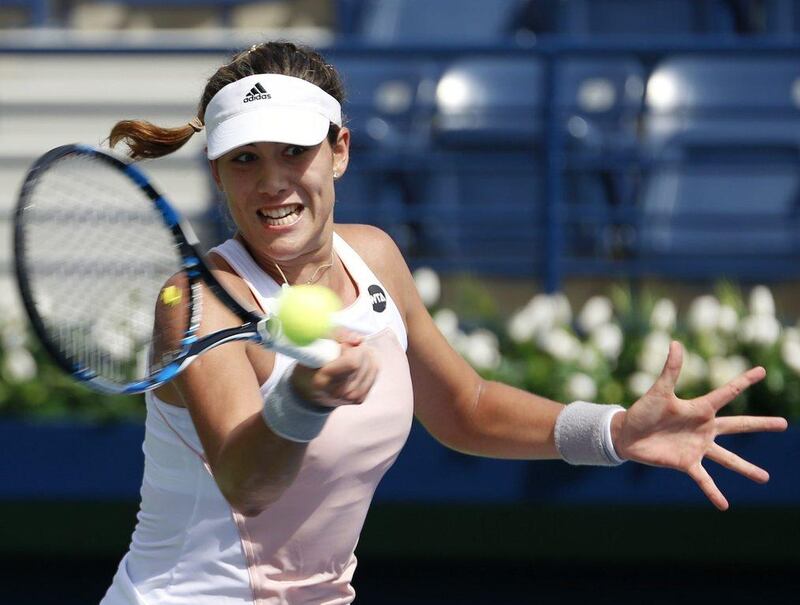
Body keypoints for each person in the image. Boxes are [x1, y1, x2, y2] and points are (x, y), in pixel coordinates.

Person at [99, 41, 787, 605]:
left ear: (339, 150)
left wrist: (611, 430)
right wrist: (301, 399)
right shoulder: (195, 302)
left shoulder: (373, 258)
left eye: (292, 151)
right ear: (219, 174)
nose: (272, 182)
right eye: (245, 159)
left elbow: (465, 406)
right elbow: (246, 483)